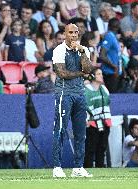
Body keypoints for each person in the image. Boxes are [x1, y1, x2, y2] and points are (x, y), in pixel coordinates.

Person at [52, 23, 94, 178]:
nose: (74, 35)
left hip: (80, 94)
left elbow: (89, 69)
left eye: (76, 32)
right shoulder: (59, 50)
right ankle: (57, 166)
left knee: (80, 133)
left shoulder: (84, 50)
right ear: (65, 34)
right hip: (64, 93)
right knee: (60, 130)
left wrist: (82, 52)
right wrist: (81, 74)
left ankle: (78, 167)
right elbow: (62, 73)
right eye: (70, 32)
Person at [83, 68, 112, 168]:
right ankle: (87, 168)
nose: (101, 76)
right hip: (92, 123)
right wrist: (86, 120)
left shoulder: (104, 89)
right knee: (90, 148)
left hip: (105, 122)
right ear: (93, 76)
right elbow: (84, 107)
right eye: (99, 74)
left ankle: (100, 169)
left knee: (102, 147)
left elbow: (108, 102)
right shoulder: (86, 91)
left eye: (101, 74)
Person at [99, 18, 122, 93]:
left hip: (115, 73)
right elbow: (102, 55)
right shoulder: (109, 36)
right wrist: (114, 66)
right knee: (112, 98)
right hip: (110, 73)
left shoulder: (114, 37)